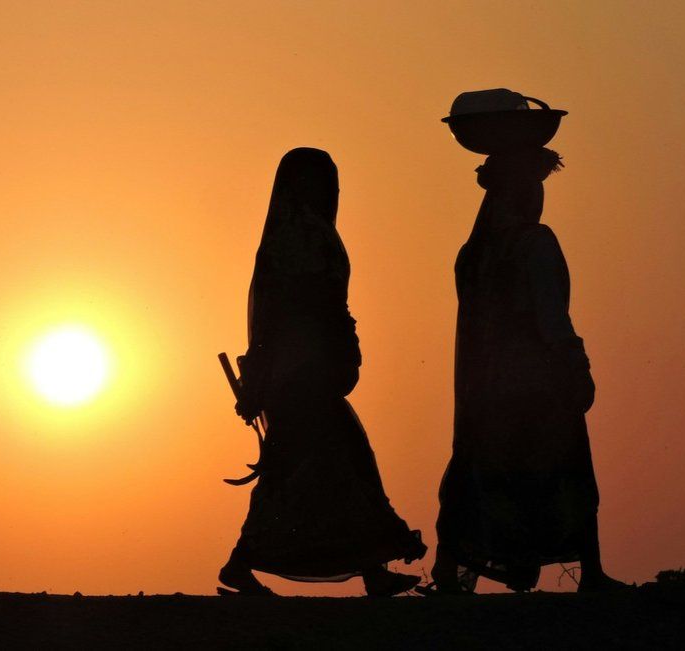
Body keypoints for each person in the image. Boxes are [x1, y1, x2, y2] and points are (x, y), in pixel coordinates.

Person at [220, 147, 426, 596]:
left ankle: (369, 568)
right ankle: (245, 561)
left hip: (302, 372)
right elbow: (307, 309)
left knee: (325, 467)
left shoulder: (297, 235)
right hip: (303, 374)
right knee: (319, 466)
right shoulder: (303, 238)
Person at [428, 148, 627, 593]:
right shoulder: (535, 242)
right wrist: (576, 364)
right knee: (565, 470)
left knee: (484, 473)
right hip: (537, 381)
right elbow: (552, 315)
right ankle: (591, 572)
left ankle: (451, 568)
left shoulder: (472, 254)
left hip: (487, 386)